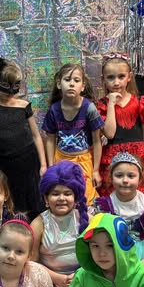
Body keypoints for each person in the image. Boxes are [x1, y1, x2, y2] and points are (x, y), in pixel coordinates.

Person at [0, 58, 47, 217]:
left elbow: (36, 136)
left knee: (35, 204)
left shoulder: (23, 106)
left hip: (30, 163)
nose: (9, 93)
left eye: (14, 88)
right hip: (6, 167)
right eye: (5, 88)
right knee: (12, 206)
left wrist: (43, 164)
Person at [96, 52, 144, 197]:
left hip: (138, 159)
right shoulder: (102, 106)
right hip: (112, 161)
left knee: (141, 198)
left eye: (121, 77)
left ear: (129, 77)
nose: (116, 82)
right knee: (115, 198)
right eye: (110, 77)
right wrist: (111, 104)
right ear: (103, 79)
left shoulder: (140, 102)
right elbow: (109, 133)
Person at [94, 152, 144, 283]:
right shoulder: (105, 206)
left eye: (131, 176)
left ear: (140, 178)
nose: (125, 180)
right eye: (119, 175)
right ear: (111, 177)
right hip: (115, 255)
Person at [30, 161, 90, 287]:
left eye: (67, 194)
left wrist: (79, 277)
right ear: (46, 198)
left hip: (84, 280)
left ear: (75, 197)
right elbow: (31, 263)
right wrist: (58, 279)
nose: (61, 198)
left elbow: (97, 258)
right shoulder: (38, 224)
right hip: (50, 283)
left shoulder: (88, 219)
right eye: (55, 194)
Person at [42, 63, 104, 205]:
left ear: (82, 86)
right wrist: (51, 166)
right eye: (67, 80)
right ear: (59, 84)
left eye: (76, 80)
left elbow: (97, 141)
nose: (71, 84)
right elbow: (50, 140)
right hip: (61, 159)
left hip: (83, 160)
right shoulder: (54, 110)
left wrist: (95, 170)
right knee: (64, 194)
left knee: (86, 197)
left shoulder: (89, 108)